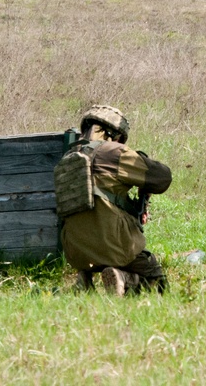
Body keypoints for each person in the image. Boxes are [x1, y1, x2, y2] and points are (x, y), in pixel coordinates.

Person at [58, 105, 172, 296]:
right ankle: (122, 278)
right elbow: (162, 178)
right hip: (113, 243)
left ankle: (84, 278)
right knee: (156, 281)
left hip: (74, 249)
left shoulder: (68, 156)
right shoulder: (113, 153)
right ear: (113, 134)